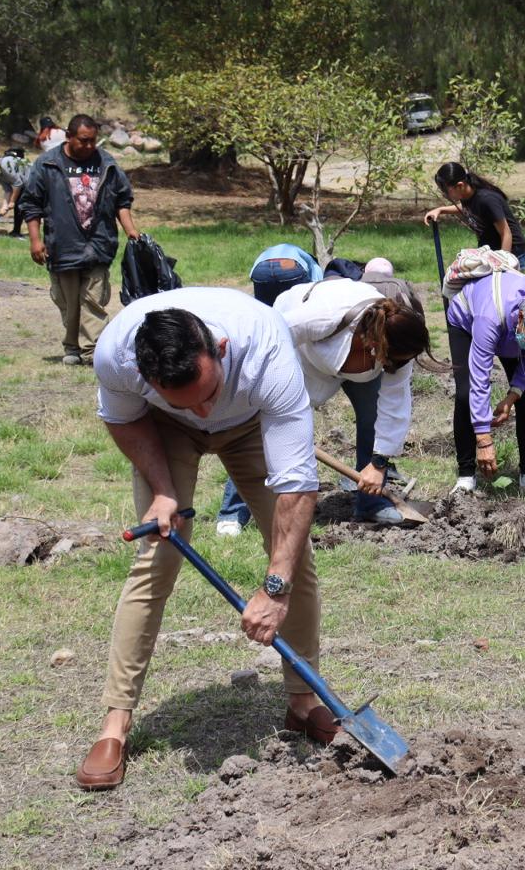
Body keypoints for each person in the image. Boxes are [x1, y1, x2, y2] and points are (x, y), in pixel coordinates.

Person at [76, 288, 329, 791]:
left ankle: (304, 701)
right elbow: (122, 419)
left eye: (210, 392)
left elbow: (297, 483)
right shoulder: (116, 355)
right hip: (164, 428)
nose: (206, 411)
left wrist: (274, 586)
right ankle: (115, 726)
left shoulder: (267, 352)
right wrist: (163, 490)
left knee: (295, 560)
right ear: (148, 378)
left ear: (221, 348)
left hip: (253, 423)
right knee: (157, 559)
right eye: (193, 401)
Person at [271, 273, 435, 526]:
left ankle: (371, 503)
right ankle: (238, 509)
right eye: (394, 361)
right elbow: (268, 339)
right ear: (378, 344)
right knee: (271, 428)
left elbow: (394, 407)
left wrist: (378, 464)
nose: (398, 367)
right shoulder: (324, 314)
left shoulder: (396, 351)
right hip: (303, 358)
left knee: (373, 418)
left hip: (359, 367)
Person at [215, 243, 325, 536]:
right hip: (268, 359)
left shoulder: (272, 262)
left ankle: (232, 515)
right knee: (253, 427)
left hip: (261, 277)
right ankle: (234, 512)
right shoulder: (310, 271)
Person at [22, 114, 140, 365]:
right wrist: (35, 240)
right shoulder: (47, 164)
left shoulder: (105, 162)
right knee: (69, 302)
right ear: (68, 136)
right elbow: (31, 204)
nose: (89, 146)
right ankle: (72, 346)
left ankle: (92, 351)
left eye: (93, 141)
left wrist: (130, 229)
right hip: (62, 244)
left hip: (98, 242)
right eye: (83, 141)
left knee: (94, 299)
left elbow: (122, 199)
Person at [446, 268, 525, 505]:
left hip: (509, 329)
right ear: (522, 318)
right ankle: (466, 477)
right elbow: (480, 378)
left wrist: (512, 397)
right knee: (465, 393)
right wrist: (484, 439)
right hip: (467, 320)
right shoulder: (489, 317)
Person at [426, 163, 525, 269]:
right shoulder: (467, 196)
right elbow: (469, 208)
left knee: (505, 285)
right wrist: (440, 210)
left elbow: (506, 233)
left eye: (446, 191)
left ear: (460, 185)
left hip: (511, 251)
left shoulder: (487, 199)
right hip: (492, 250)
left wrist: (502, 264)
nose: (444, 194)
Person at [0, 146, 28, 237]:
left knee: (19, 205)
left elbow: (18, 184)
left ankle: (16, 232)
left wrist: (12, 201)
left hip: (32, 181)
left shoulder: (4, 165)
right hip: (22, 184)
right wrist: (4, 206)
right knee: (18, 204)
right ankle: (16, 232)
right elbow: (8, 190)